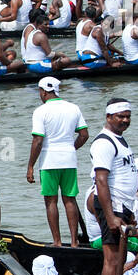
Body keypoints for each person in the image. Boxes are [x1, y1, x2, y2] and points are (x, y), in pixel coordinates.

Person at [90, 99, 138, 275]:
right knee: (112, 261)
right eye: (121, 116)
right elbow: (101, 180)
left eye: (128, 116)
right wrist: (110, 216)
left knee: (117, 261)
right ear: (109, 117)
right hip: (113, 206)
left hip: (123, 206)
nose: (125, 120)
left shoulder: (120, 140)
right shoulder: (104, 142)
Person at [27, 76, 88, 246]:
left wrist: (30, 166)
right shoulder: (74, 108)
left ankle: (57, 242)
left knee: (51, 201)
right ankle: (75, 242)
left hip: (48, 162)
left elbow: (38, 140)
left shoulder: (40, 111)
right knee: (70, 199)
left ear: (44, 91)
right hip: (69, 160)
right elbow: (84, 135)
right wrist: (71, 148)